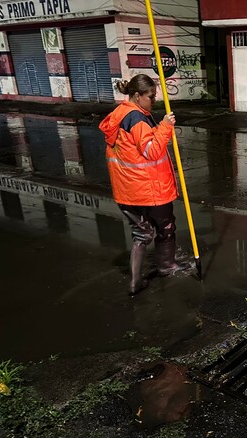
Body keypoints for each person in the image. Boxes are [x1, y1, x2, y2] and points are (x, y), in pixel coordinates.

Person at [99, 74, 180, 295]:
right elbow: (151, 151)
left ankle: (135, 282)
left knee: (142, 235)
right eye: (150, 97)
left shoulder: (121, 114)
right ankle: (167, 265)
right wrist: (164, 126)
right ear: (137, 95)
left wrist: (159, 127)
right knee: (166, 227)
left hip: (128, 191)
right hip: (148, 188)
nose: (154, 101)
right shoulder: (136, 119)